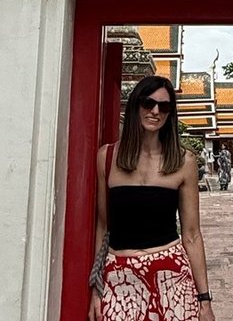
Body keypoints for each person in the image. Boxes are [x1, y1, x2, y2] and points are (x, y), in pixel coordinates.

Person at [91, 75, 215, 321]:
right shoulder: (107, 157)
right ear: (136, 104)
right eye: (149, 103)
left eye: (164, 106)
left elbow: (191, 234)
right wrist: (96, 290)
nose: (155, 111)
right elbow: (103, 226)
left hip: (171, 275)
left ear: (170, 114)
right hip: (120, 275)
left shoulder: (183, 162)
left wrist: (204, 300)